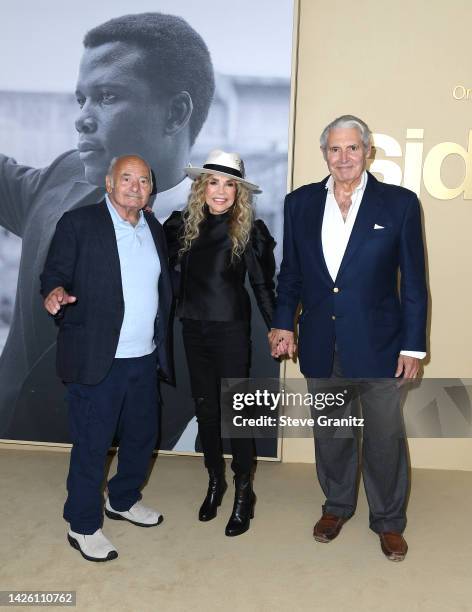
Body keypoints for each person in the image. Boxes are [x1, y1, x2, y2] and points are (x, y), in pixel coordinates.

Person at [0, 12, 214, 443]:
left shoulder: (221, 254)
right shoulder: (64, 179)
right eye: (82, 99)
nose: (83, 117)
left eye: (108, 96)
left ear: (175, 113)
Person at [269, 115, 428, 561]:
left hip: (380, 345)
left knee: (383, 438)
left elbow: (413, 283)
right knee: (333, 434)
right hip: (321, 341)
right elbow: (292, 274)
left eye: (352, 148)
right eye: (334, 150)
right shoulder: (299, 203)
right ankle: (337, 506)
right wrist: (284, 322)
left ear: (368, 152)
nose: (343, 158)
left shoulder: (398, 204)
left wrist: (413, 346)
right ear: (325, 154)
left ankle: (389, 521)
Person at [40, 155, 173, 562]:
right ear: (109, 183)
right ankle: (81, 524)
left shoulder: (152, 225)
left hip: (143, 356)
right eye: (127, 178)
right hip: (98, 357)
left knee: (141, 437)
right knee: (92, 445)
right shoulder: (78, 223)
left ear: (151, 189)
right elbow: (53, 273)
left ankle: (123, 499)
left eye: (144, 180)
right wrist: (55, 292)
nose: (135, 186)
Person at [164, 150, 276, 536]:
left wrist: (278, 326)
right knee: (206, 412)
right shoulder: (180, 226)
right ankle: (216, 482)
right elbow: (154, 270)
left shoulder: (248, 230)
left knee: (238, 415)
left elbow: (262, 286)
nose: (221, 191)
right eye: (214, 181)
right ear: (201, 186)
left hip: (230, 331)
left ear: (239, 192)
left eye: (230, 184)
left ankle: (244, 491)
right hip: (193, 330)